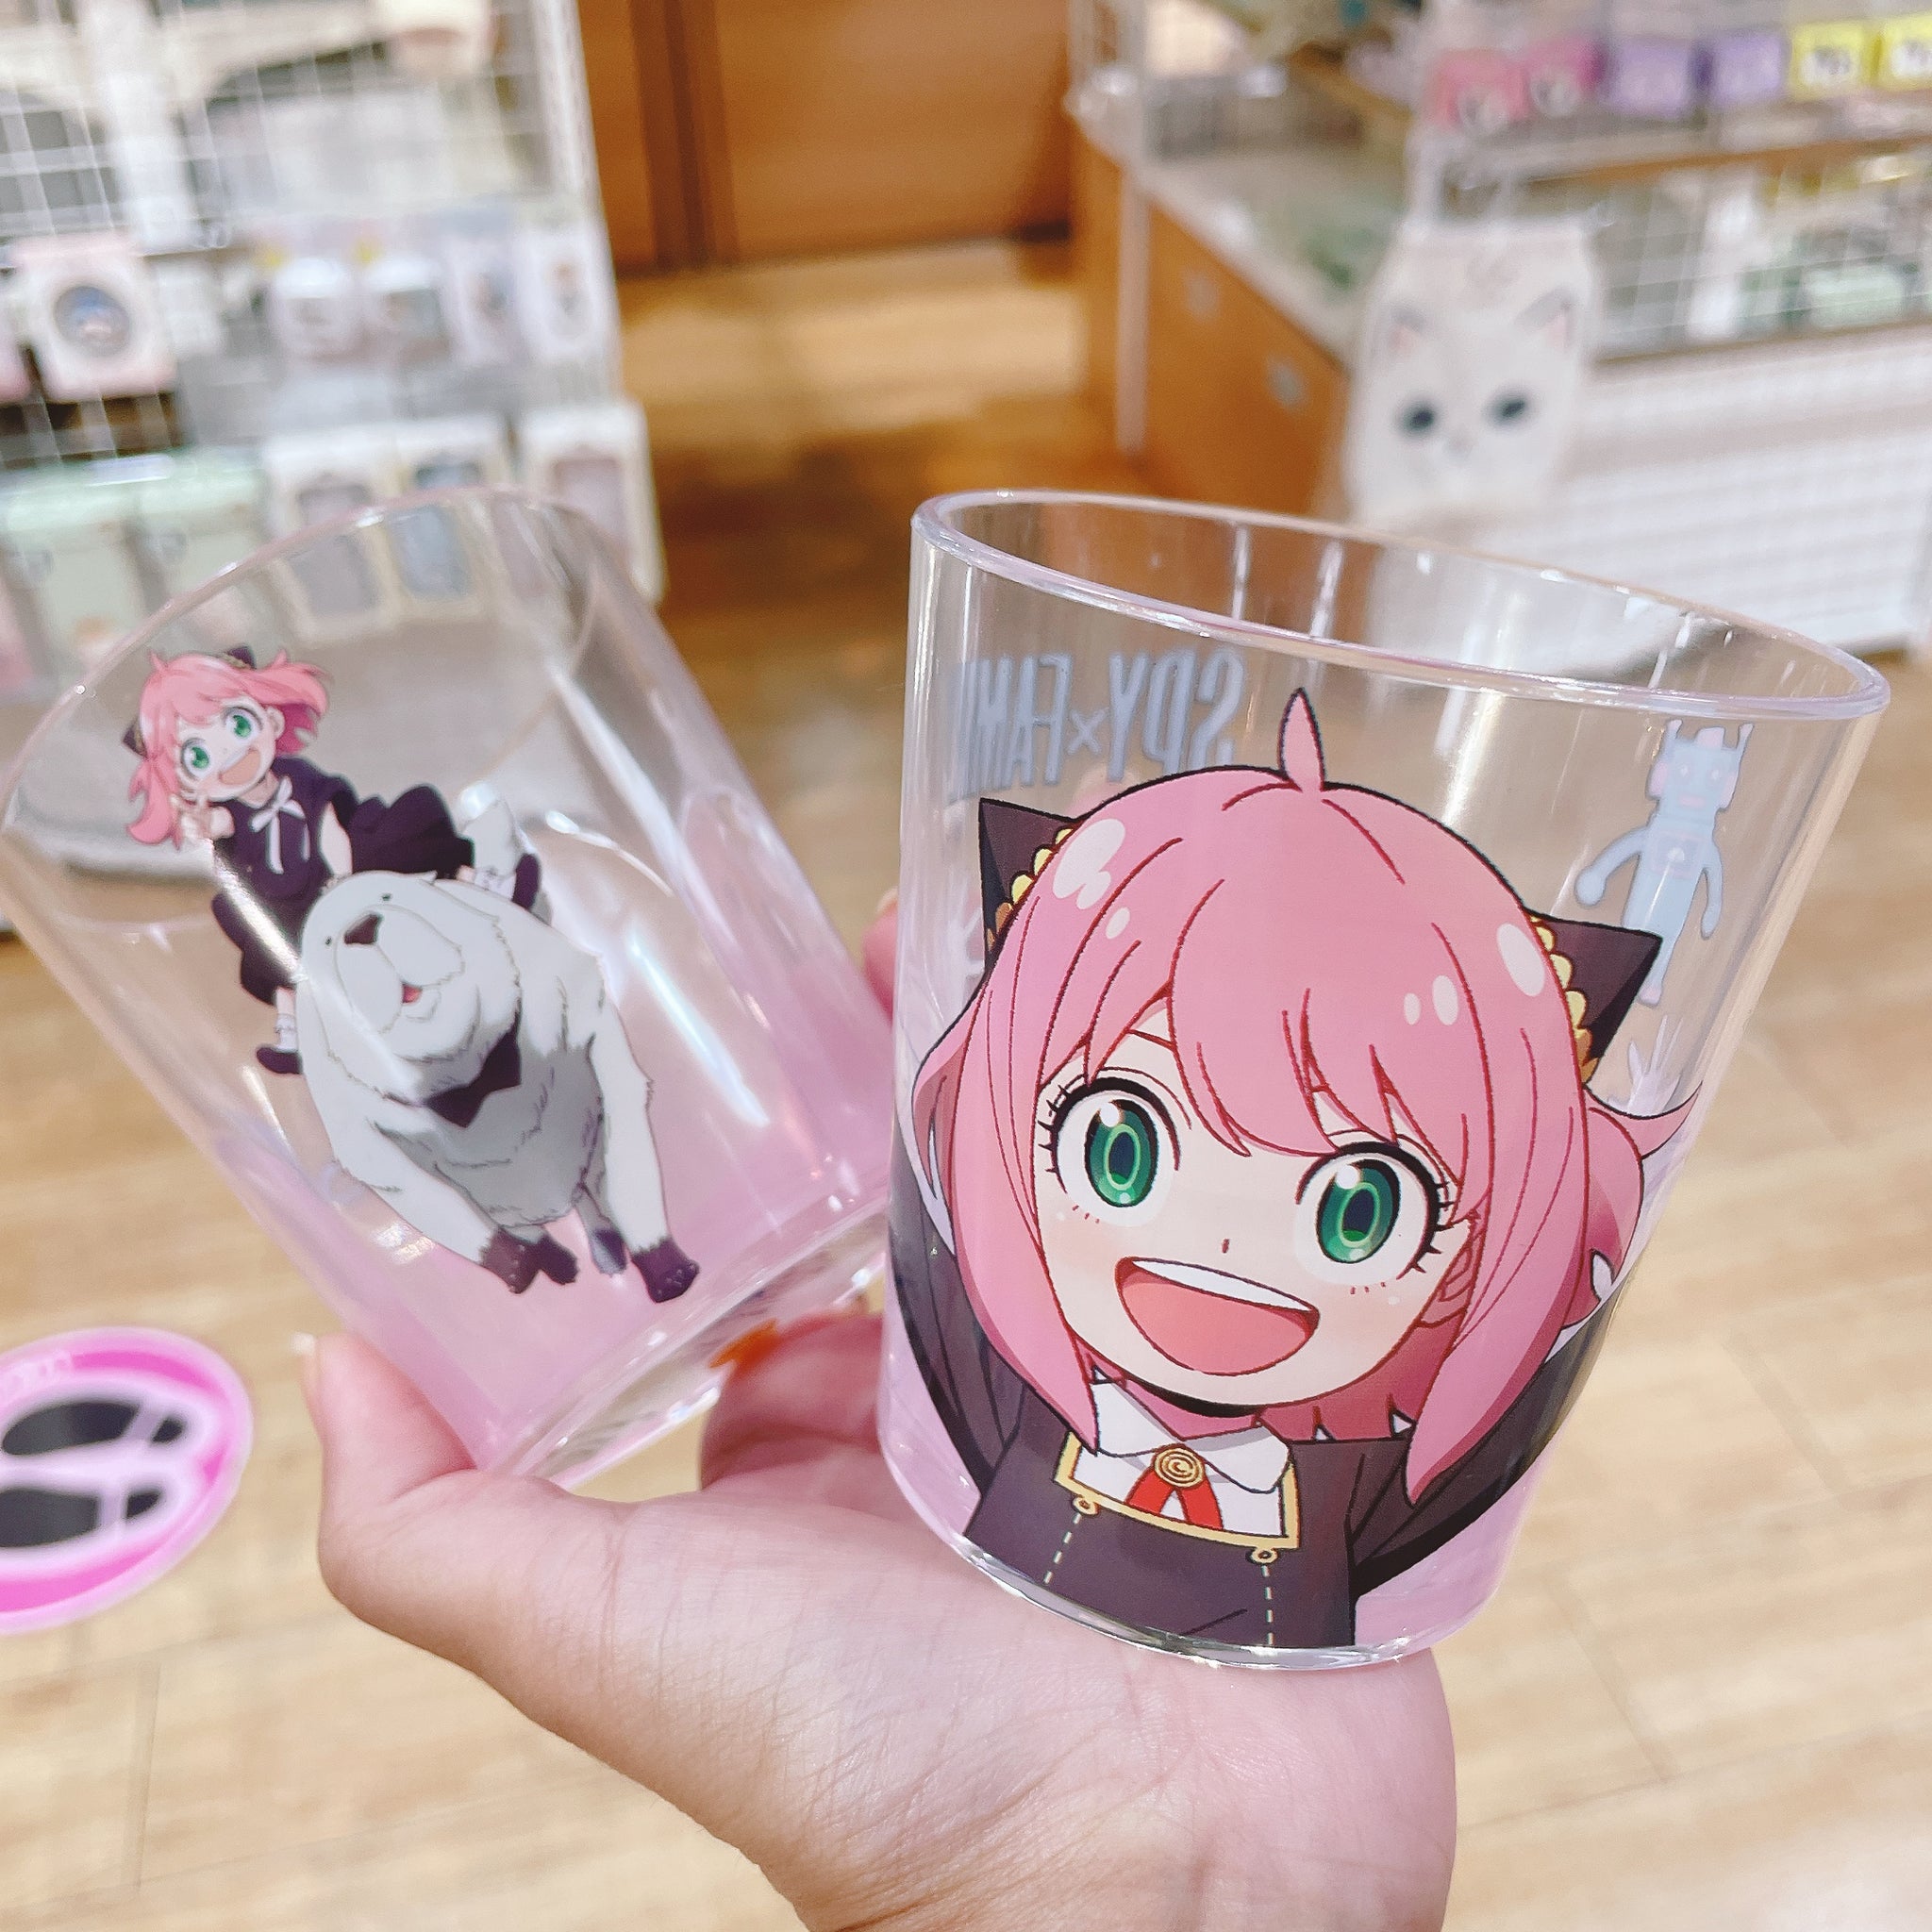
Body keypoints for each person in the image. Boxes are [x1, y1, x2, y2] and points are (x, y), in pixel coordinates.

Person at [303, 898, 1458, 1932]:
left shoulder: (1358, 1504)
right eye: (1121, 1148)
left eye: (1355, 1209)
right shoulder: (994, 1386)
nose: (1218, 1254)